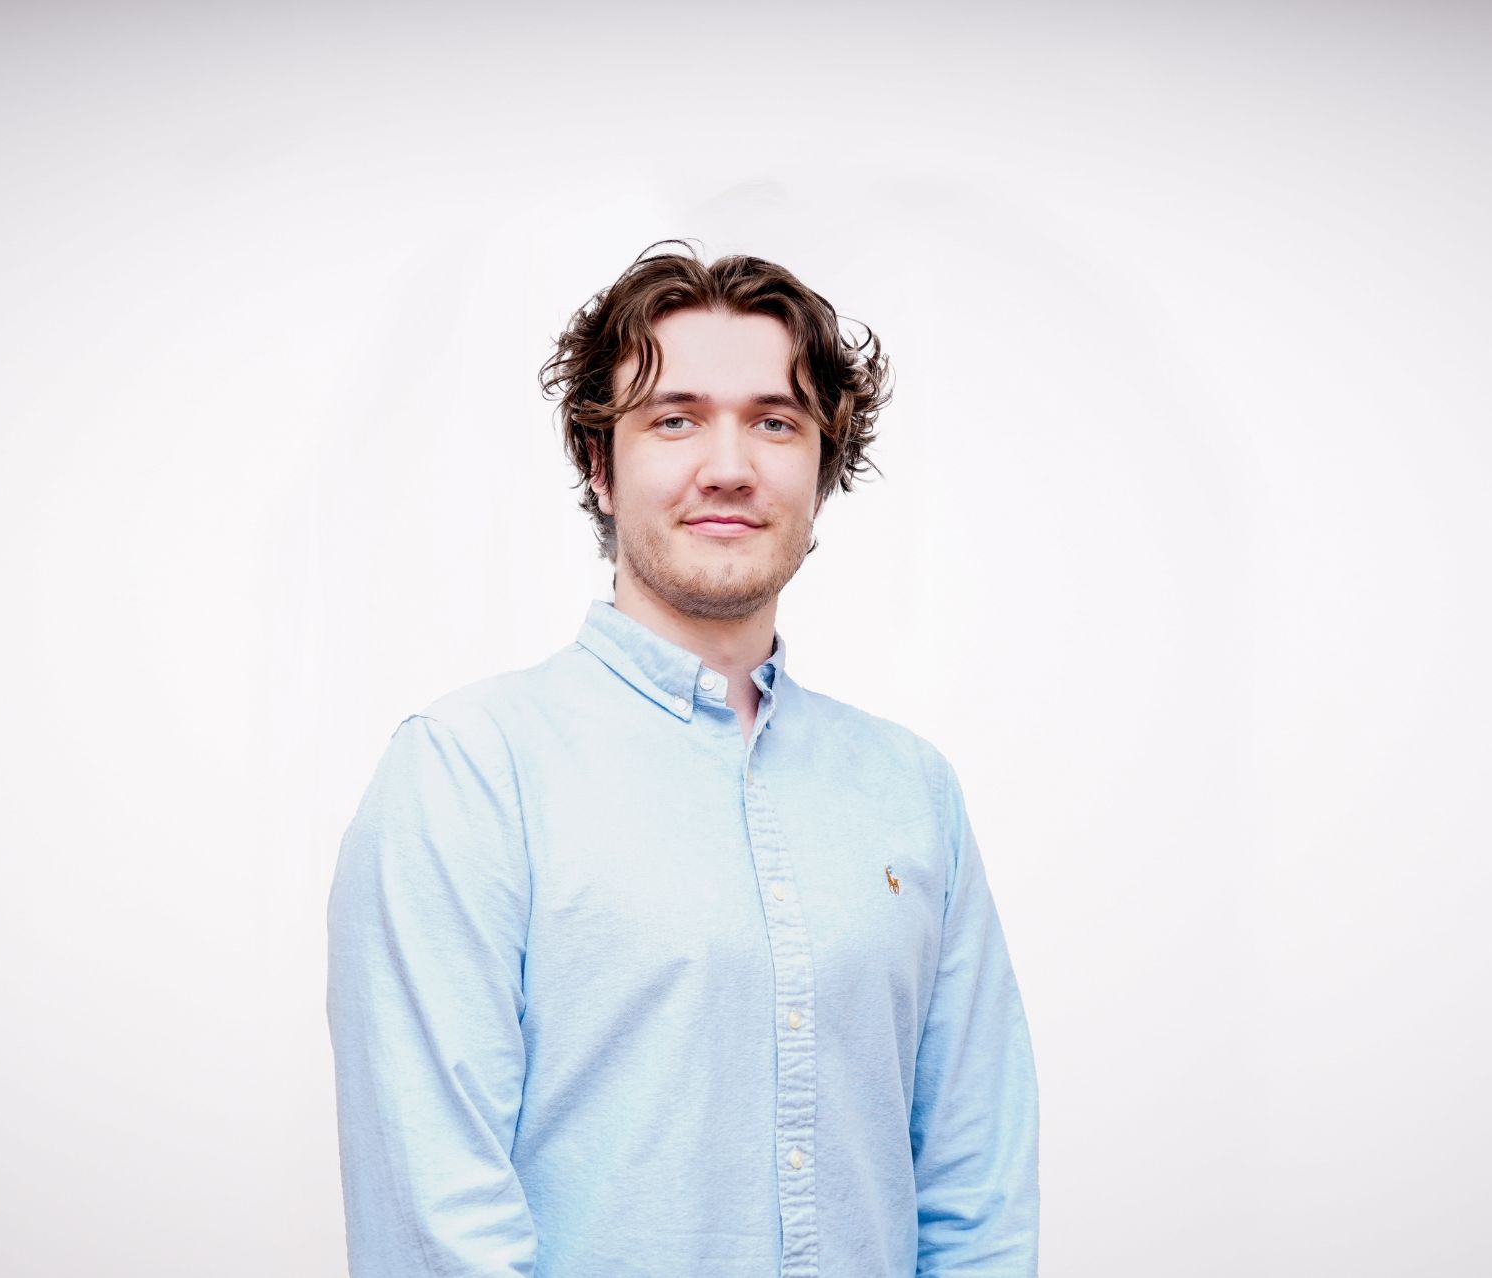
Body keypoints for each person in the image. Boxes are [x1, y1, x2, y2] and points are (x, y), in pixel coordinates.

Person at [326, 242, 1040, 1277]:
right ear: (599, 464)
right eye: (675, 419)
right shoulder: (468, 773)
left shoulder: (910, 790)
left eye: (775, 422)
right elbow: (436, 1221)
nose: (730, 466)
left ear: (822, 469)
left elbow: (978, 1192)